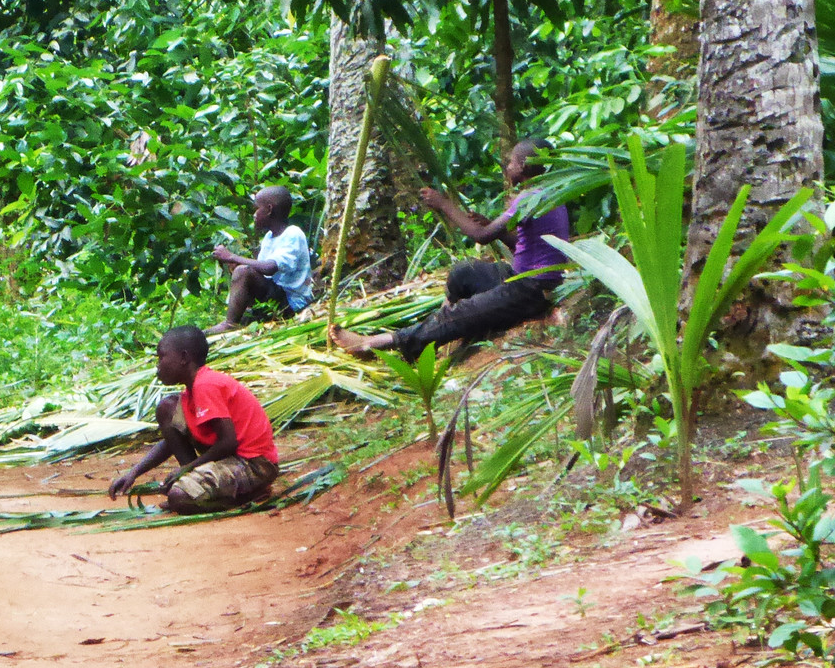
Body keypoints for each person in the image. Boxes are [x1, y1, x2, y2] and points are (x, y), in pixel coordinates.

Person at [330, 138, 570, 360]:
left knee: (459, 313)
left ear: (524, 167)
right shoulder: (549, 194)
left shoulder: (530, 198)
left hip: (532, 290)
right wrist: (491, 224)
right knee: (464, 273)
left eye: (511, 162)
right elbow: (523, 246)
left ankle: (372, 344)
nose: (507, 167)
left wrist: (443, 204)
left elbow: (481, 237)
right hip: (520, 278)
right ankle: (436, 338)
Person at [107, 326, 280, 514]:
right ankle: (198, 486)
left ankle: (246, 497)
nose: (158, 365)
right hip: (235, 459)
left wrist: (188, 468)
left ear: (183, 358)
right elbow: (171, 442)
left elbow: (228, 442)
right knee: (167, 408)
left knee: (179, 498)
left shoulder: (205, 385)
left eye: (162, 357)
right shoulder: (193, 390)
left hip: (254, 465)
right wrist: (134, 472)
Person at [207, 186, 313, 335]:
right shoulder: (269, 237)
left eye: (256, 209)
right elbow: (261, 272)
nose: (254, 214)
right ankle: (240, 320)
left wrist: (232, 256)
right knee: (243, 271)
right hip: (276, 296)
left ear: (269, 209)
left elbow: (270, 267)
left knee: (243, 271)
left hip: (292, 302)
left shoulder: (293, 233)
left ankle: (230, 324)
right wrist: (237, 265)